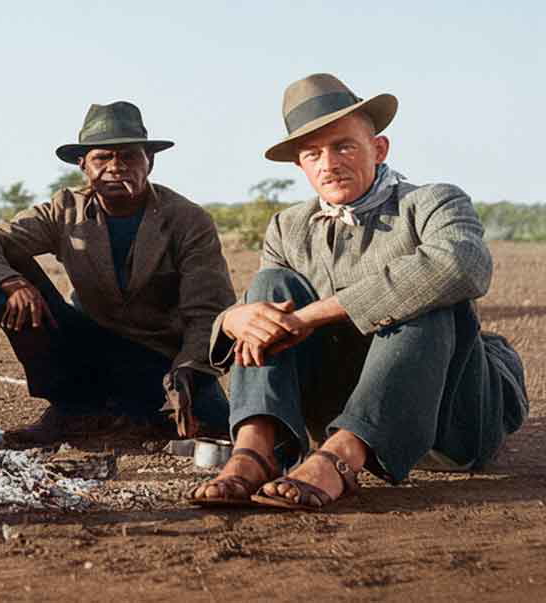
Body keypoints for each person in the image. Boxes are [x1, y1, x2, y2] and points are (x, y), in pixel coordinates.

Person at [189, 74, 529, 509]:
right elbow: (267, 314)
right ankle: (254, 450)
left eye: (343, 146)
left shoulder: (432, 202)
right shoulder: (287, 227)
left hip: (451, 416)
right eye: (313, 154)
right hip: (342, 402)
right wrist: (233, 319)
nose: (328, 164)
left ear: (379, 149)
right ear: (301, 167)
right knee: (269, 290)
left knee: (424, 299)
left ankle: (342, 459)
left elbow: (462, 266)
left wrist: (313, 316)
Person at [0, 101, 236, 445]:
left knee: (217, 424)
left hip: (161, 361)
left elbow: (208, 313)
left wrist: (189, 370)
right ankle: (72, 407)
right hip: (86, 346)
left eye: (128, 156)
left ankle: (129, 411)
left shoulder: (188, 220)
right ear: (83, 165)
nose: (116, 167)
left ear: (150, 162)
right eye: (103, 158)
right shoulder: (64, 208)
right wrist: (10, 282)